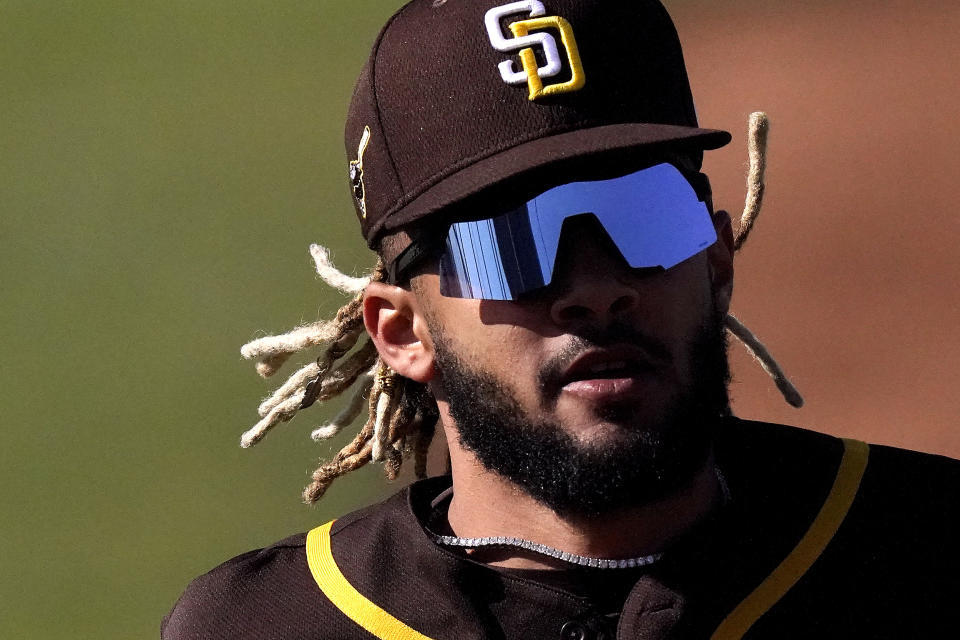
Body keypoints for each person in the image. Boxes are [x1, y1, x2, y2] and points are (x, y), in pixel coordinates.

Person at [162, 1, 959, 638]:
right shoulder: (266, 625)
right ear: (402, 331)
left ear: (716, 262)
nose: (597, 289)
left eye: (644, 215)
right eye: (515, 242)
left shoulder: (918, 550)